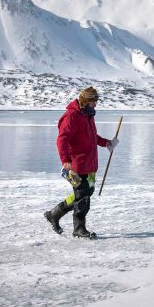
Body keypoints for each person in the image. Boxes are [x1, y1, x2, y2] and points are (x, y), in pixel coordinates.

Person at [43, 86, 118, 239]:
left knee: (86, 192)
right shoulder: (72, 116)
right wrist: (65, 160)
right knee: (83, 196)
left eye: (96, 102)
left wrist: (107, 143)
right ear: (85, 101)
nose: (95, 104)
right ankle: (79, 228)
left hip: (90, 164)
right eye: (93, 102)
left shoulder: (87, 115)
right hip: (77, 166)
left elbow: (92, 137)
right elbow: (62, 139)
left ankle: (54, 214)